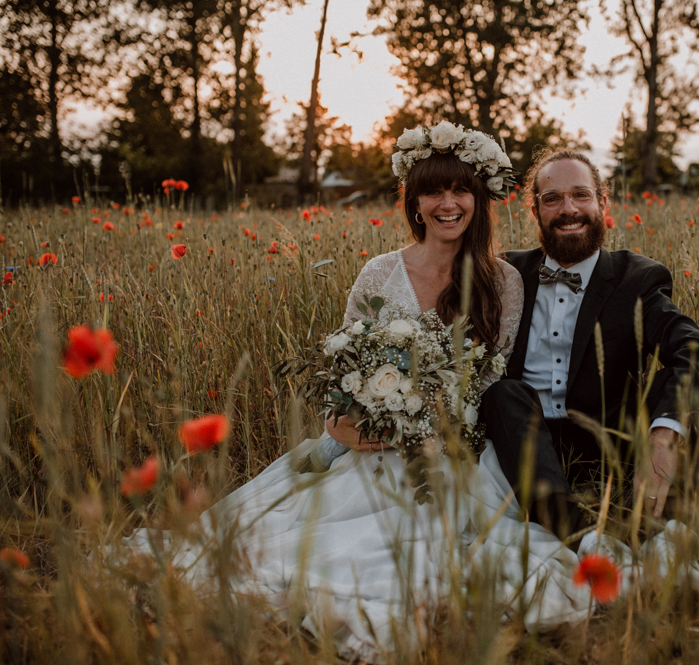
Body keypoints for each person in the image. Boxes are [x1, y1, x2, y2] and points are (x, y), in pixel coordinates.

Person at [122, 124, 595, 664]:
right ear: (414, 201)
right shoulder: (378, 274)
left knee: (432, 531)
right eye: (433, 191)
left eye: (460, 190)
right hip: (370, 445)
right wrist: (340, 425)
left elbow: (488, 384)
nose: (448, 203)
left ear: (478, 198)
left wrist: (433, 428)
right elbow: (344, 371)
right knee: (287, 537)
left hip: (456, 447)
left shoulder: (502, 281)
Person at [481, 149, 699, 560]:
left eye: (581, 195)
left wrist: (664, 435)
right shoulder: (506, 274)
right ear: (535, 211)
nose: (568, 209)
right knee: (503, 394)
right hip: (526, 447)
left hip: (611, 446)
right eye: (553, 198)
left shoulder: (638, 278)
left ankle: (664, 533)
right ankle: (584, 539)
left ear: (603, 203)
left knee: (672, 392)